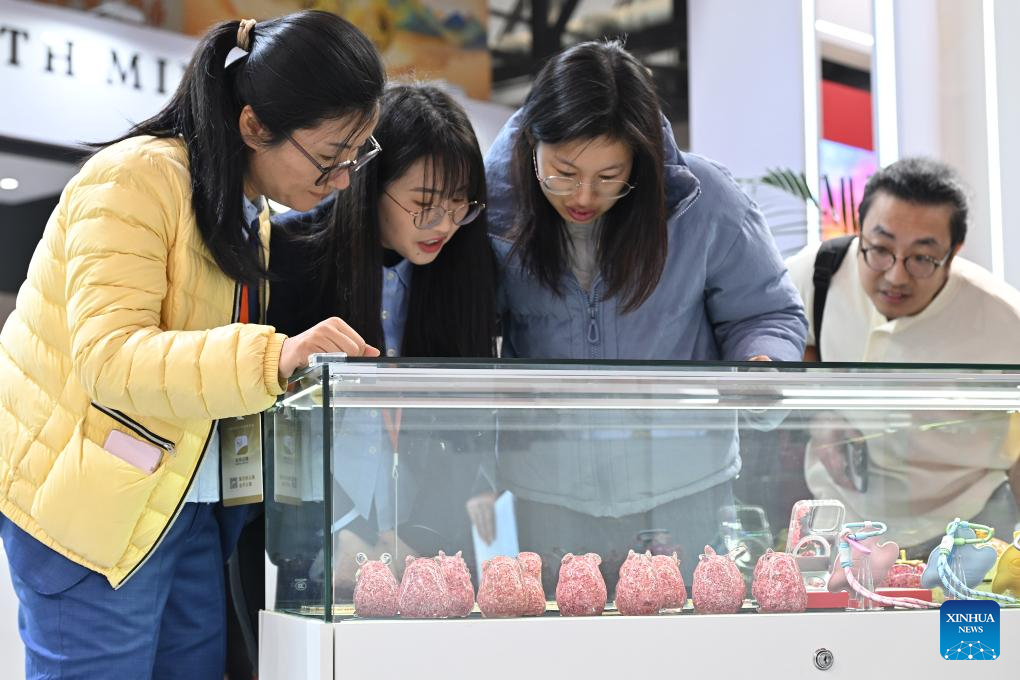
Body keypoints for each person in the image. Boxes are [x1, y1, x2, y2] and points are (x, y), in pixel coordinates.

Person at [0, 12, 385, 678]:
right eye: (331, 157)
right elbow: (110, 359)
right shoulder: (134, 179)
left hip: (186, 506)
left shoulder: (247, 213)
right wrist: (273, 357)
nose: (344, 179)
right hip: (94, 511)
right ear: (254, 126)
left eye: (358, 155)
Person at [483, 40, 807, 587]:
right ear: (531, 143)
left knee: (687, 633)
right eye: (563, 172)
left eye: (610, 176)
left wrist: (761, 363)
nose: (583, 195)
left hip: (685, 487)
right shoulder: (494, 211)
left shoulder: (704, 201)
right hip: (547, 490)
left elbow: (767, 311)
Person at [267, 83, 498, 598]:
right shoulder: (293, 253)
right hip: (312, 530)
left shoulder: (464, 269)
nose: (444, 224)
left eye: (459, 204)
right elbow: (279, 415)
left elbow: (465, 422)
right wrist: (343, 523)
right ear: (371, 181)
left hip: (421, 534)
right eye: (423, 204)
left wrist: (418, 533)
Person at [786, 157, 1020, 552]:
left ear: (954, 251)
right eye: (880, 249)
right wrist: (820, 414)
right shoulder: (817, 273)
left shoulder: (1003, 319)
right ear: (860, 230)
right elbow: (783, 343)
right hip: (839, 518)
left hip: (968, 523)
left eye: (922, 258)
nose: (896, 276)